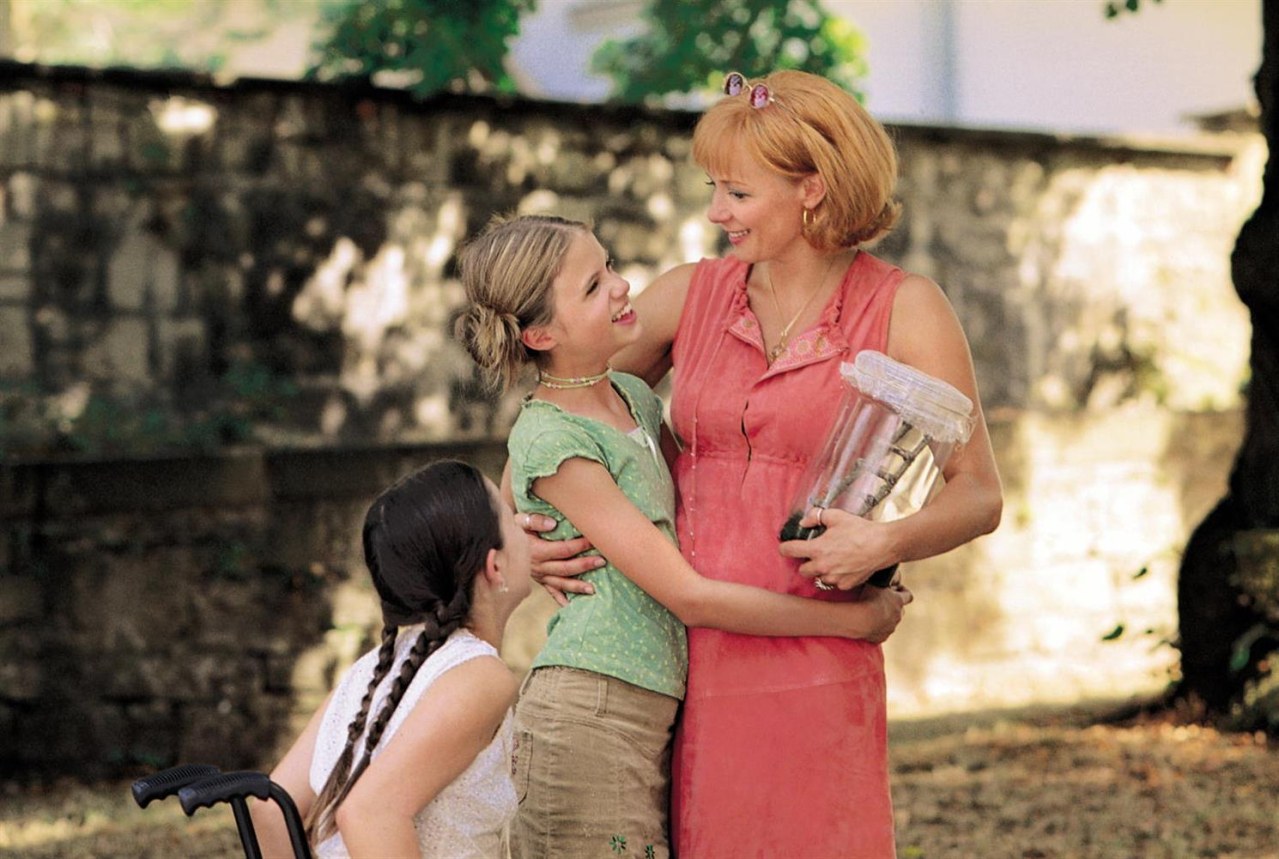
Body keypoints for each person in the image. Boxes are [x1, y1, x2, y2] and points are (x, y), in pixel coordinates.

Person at [529, 70, 1004, 856]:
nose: (715, 212)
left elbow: (979, 492)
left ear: (811, 189)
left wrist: (884, 542)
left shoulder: (905, 306)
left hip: (818, 654)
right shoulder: (690, 294)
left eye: (737, 194)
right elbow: (564, 410)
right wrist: (533, 528)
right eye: (713, 189)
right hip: (674, 655)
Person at [455, 212, 912, 859]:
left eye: (609, 267)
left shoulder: (634, 400)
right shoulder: (551, 437)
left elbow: (702, 510)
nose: (620, 287)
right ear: (538, 332)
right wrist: (853, 622)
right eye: (592, 286)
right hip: (590, 710)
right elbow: (688, 594)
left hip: (654, 711)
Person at [248, 460, 531, 859]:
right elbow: (368, 813)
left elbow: (272, 810)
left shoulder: (375, 669)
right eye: (509, 517)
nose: (523, 523)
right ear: (494, 565)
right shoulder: (479, 675)